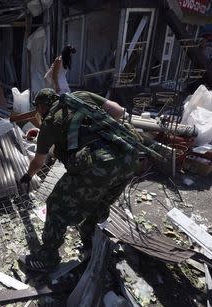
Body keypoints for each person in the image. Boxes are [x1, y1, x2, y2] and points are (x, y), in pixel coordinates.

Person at [18, 88, 140, 272]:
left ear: (42, 106)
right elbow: (118, 111)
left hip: (99, 164)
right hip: (128, 157)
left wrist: (28, 175)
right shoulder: (81, 96)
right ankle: (90, 240)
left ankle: (47, 258)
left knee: (56, 205)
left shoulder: (50, 122)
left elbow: (39, 161)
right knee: (99, 202)